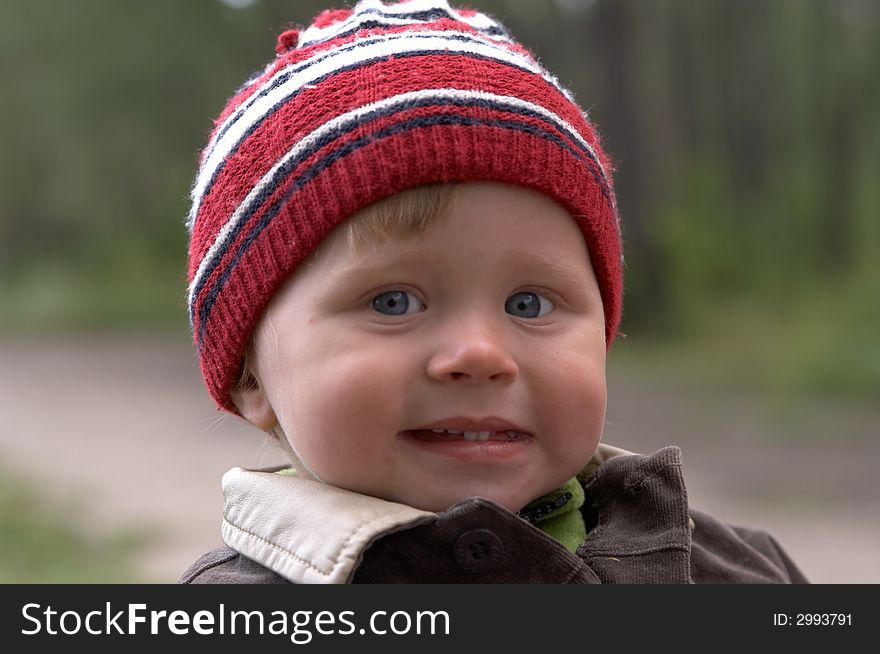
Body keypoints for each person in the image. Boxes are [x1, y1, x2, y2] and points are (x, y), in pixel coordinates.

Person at [180, 0, 807, 584]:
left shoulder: (739, 571)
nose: (480, 353)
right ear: (249, 376)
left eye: (527, 304)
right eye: (393, 302)